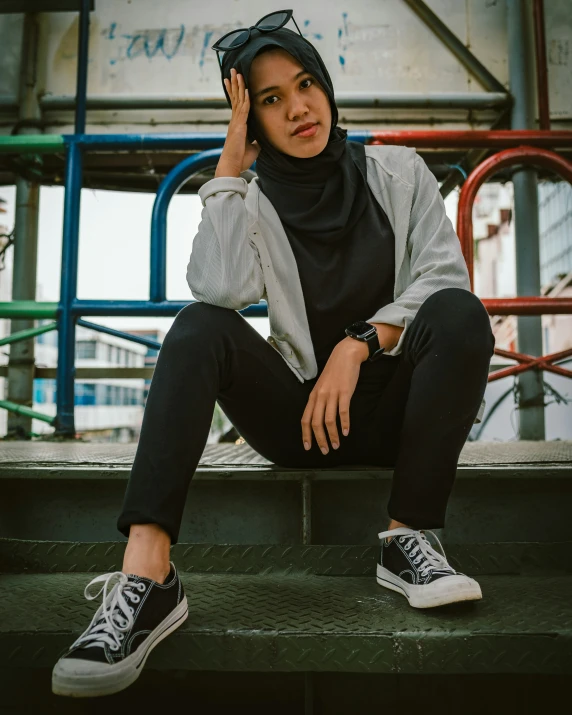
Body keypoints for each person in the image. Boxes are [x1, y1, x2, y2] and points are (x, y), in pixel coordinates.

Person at [52, 13, 495, 698]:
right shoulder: (254, 204)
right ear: (252, 119)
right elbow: (220, 288)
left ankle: (409, 541)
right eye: (270, 100)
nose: (298, 108)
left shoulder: (398, 173)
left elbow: (442, 279)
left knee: (461, 315)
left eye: (305, 83)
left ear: (326, 86)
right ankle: (147, 580)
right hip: (305, 423)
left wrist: (360, 341)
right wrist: (231, 165)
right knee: (199, 327)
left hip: (398, 416)